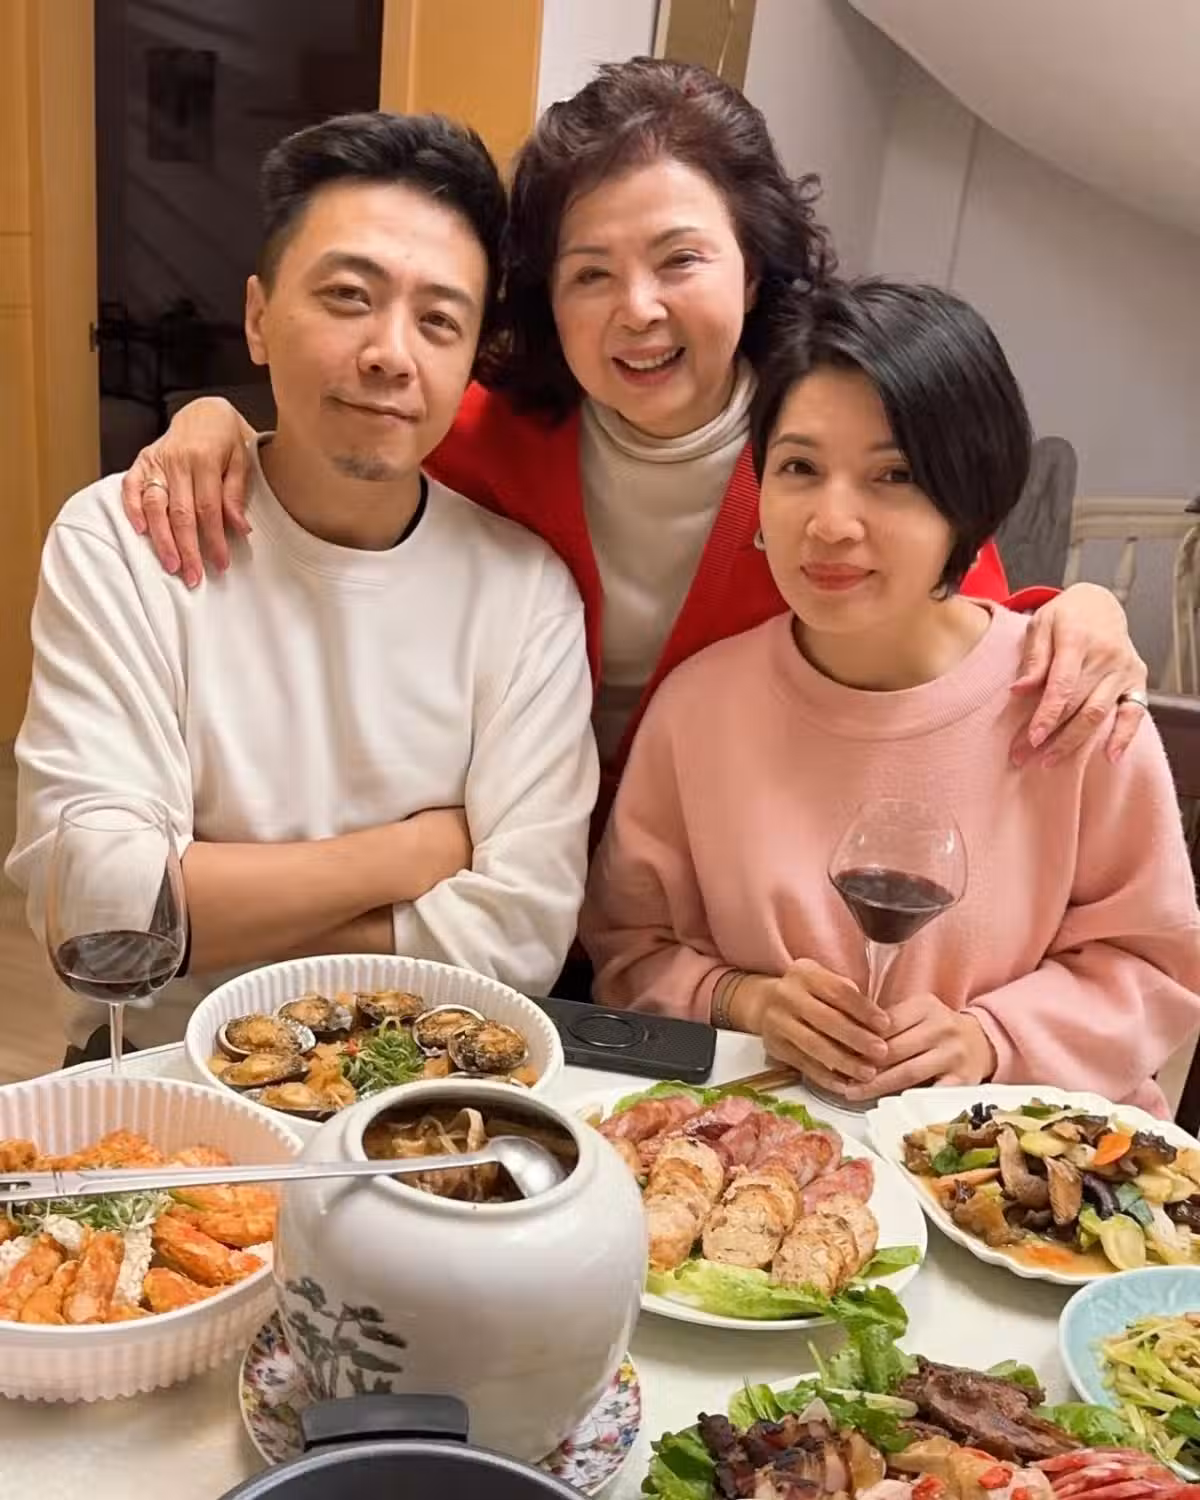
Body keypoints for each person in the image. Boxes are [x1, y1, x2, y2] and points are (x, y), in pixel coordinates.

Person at [121, 60, 1147, 828]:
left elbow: (959, 617)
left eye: (679, 259)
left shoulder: (827, 444)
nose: (637, 310)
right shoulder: (486, 433)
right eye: (590, 273)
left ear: (754, 267)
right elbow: (346, 444)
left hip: (725, 895)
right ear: (545, 296)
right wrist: (218, 421)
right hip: (496, 868)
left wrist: (1083, 609)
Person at [6, 112, 598, 1056]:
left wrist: (202, 928)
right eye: (348, 296)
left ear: (471, 359)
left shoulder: (525, 594)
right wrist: (412, 854)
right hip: (160, 1070)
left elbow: (520, 941)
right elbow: (101, 916)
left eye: (438, 321)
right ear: (257, 317)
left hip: (415, 1087)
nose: (390, 352)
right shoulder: (127, 542)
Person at [580, 281, 1200, 1117]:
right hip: (763, 1151)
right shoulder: (698, 709)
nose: (832, 523)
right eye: (799, 468)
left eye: (894, 475)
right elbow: (628, 949)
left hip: (1008, 1156)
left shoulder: (1073, 701)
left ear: (969, 499)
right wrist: (743, 1001)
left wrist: (992, 1040)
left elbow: (1153, 965)